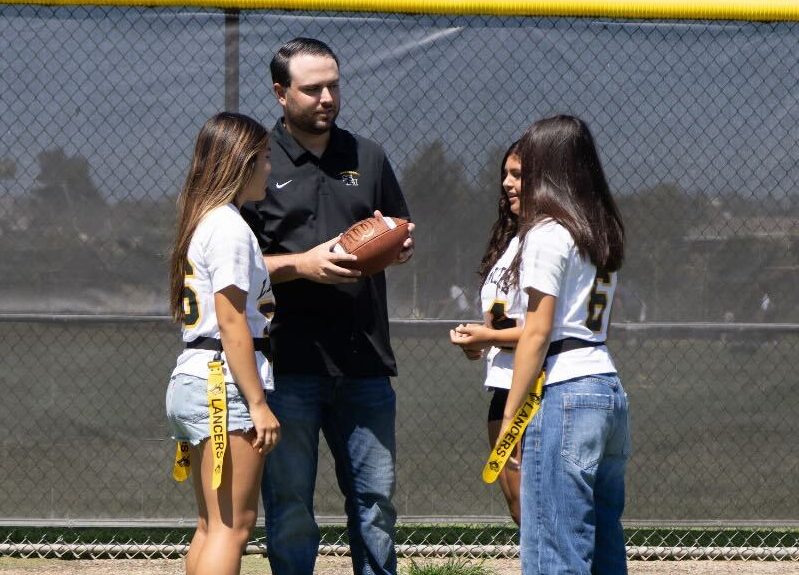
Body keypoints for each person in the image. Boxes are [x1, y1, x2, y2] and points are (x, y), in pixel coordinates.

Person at [240, 37, 414, 575]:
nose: (326, 97)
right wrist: (301, 265)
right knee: (291, 508)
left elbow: (399, 230)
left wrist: (397, 247)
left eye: (333, 85)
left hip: (363, 361)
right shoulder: (256, 162)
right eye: (311, 88)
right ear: (279, 92)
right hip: (287, 363)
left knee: (375, 503)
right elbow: (233, 265)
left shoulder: (368, 155)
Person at [502, 115, 630, 574]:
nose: (514, 180)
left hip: (566, 391)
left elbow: (536, 332)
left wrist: (511, 419)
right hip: (607, 388)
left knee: (555, 547)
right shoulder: (600, 231)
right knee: (604, 541)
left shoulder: (547, 233)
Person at [166, 112, 281, 575]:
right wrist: (257, 403)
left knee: (212, 524)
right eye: (266, 157)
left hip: (196, 377)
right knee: (233, 527)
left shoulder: (205, 221)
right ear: (242, 161)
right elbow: (232, 321)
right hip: (222, 384)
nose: (270, 168)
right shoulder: (230, 227)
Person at [449, 141, 525, 525]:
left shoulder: (549, 242)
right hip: (501, 386)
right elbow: (503, 323)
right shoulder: (510, 242)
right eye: (506, 175)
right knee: (519, 509)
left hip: (534, 389)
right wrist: (478, 343)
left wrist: (488, 337)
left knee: (538, 511)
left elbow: (546, 332)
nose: (508, 184)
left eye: (519, 175)